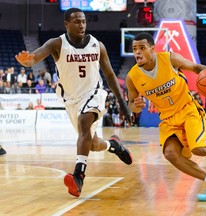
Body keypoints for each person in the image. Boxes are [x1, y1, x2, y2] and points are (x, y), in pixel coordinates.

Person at [125, 33, 206, 202]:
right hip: (167, 118)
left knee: (199, 149)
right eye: (134, 49)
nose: (137, 52)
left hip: (188, 109)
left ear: (153, 49)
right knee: (170, 153)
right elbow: (131, 103)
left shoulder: (169, 59)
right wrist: (134, 106)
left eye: (142, 48)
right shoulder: (132, 77)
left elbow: (195, 68)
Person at [15, 7, 132, 198]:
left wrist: (122, 101)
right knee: (92, 144)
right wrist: (27, 61)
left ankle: (78, 175)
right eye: (77, 21)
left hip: (94, 93)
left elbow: (110, 74)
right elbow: (35, 57)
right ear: (66, 24)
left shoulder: (97, 45)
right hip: (71, 99)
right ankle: (113, 145)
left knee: (85, 122)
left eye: (84, 21)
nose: (82, 25)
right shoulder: (57, 44)